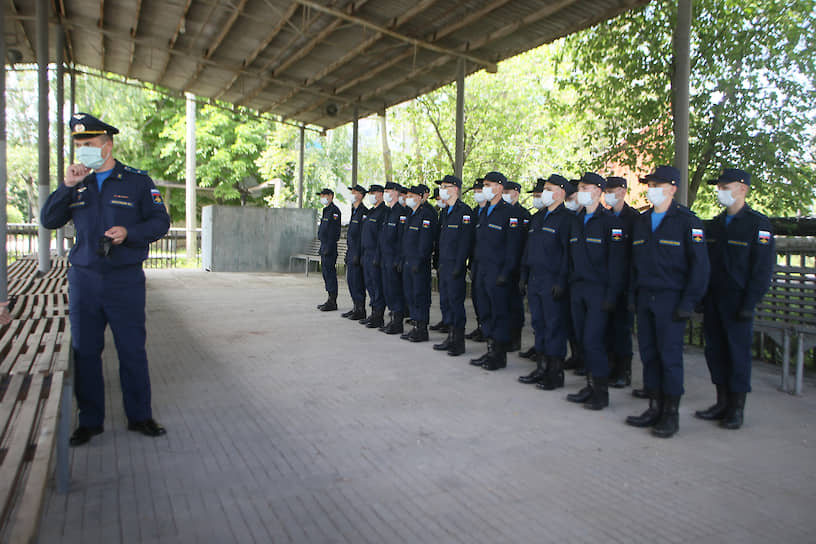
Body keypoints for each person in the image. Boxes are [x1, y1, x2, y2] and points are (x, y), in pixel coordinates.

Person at [40, 112, 170, 446]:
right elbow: (49, 220)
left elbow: (160, 223)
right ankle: (90, 420)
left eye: (88, 144)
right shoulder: (76, 183)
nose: (82, 150)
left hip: (124, 279)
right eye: (78, 145)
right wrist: (66, 186)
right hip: (84, 279)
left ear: (107, 146)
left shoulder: (137, 181)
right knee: (85, 351)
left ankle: (140, 416)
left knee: (131, 350)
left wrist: (129, 232)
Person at [624, 165, 710, 438]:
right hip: (645, 297)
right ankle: (653, 406)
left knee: (669, 357)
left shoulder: (687, 222)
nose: (652, 189)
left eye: (658, 184)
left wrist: (689, 302)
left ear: (673, 188)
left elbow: (700, 267)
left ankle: (670, 413)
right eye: (650, 184)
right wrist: (632, 294)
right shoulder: (642, 220)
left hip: (671, 300)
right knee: (649, 354)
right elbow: (632, 264)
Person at [696, 168, 774, 430]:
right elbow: (706, 265)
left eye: (725, 187)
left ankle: (737, 408)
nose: (720, 192)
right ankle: (721, 402)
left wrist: (750, 303)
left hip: (739, 302)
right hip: (714, 300)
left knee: (737, 355)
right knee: (715, 351)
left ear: (743, 188)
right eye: (719, 187)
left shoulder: (757, 225)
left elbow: (762, 270)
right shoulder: (716, 224)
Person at [565, 172, 626, 410]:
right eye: (580, 187)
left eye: (586, 187)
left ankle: (601, 392)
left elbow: (617, 265)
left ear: (599, 191)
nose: (581, 191)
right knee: (582, 339)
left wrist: (611, 296)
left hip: (599, 292)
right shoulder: (576, 221)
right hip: (578, 289)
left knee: (593, 340)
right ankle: (590, 385)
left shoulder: (611, 223)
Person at [518, 175, 572, 390]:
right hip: (535, 279)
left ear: (561, 192)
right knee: (539, 325)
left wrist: (561, 281)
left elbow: (568, 254)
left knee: (554, 327)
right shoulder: (538, 218)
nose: (545, 193)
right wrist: (523, 276)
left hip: (552, 281)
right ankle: (541, 367)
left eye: (549, 189)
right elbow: (527, 250)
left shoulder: (567, 219)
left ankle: (554, 372)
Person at [469, 171, 524, 371]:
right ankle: (490, 349)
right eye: (484, 185)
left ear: (500, 187)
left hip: (498, 272)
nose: (485, 189)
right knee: (485, 312)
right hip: (481, 269)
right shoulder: (484, 212)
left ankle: (499, 354)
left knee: (499, 313)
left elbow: (513, 247)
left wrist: (506, 272)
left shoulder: (510, 213)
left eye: (489, 185)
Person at [432, 175, 475, 356]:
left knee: (456, 303)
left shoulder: (464, 212)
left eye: (445, 186)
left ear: (455, 189)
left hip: (455, 265)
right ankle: (450, 337)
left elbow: (466, 242)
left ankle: (458, 341)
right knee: (446, 301)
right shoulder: (445, 212)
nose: (442, 189)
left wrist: (460, 265)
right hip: (444, 264)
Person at [603, 176, 640, 388]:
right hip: (606, 282)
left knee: (622, 330)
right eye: (606, 189)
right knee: (607, 329)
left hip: (625, 284)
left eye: (612, 189)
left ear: (623, 191)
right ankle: (610, 367)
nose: (608, 193)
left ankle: (623, 372)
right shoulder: (604, 217)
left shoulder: (634, 219)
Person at [400, 185, 438, 342]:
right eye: (407, 195)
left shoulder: (426, 215)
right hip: (408, 261)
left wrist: (419, 260)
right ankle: (415, 325)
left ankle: (422, 328)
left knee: (420, 295)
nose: (408, 198)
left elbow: (426, 242)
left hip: (419, 263)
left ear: (420, 197)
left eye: (411, 195)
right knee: (410, 294)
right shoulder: (411, 214)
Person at [503, 181, 531, 352]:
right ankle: (505, 336)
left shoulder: (524, 214)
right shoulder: (502, 213)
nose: (505, 193)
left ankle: (516, 338)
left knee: (515, 304)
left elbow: (525, 243)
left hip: (518, 266)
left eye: (508, 191)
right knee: (503, 303)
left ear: (516, 193)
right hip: (504, 265)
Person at [378, 182, 408, 334]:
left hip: (394, 258)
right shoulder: (387, 212)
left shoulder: (401, 213)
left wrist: (399, 259)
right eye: (385, 191)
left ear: (396, 192)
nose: (386, 193)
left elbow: (403, 239)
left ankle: (397, 322)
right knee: (388, 289)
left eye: (388, 190)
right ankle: (392, 319)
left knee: (395, 290)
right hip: (385, 257)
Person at [359, 184, 388, 328]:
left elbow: (381, 237)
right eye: (370, 193)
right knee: (370, 284)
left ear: (381, 194)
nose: (371, 195)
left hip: (376, 254)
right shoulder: (371, 212)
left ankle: (379, 315)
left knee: (377, 285)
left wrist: (378, 255)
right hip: (367, 253)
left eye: (374, 192)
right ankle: (373, 312)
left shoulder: (384, 212)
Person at [466, 178, 488, 343]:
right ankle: (481, 326)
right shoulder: (474, 212)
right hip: (476, 261)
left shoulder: (492, 211)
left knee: (488, 300)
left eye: (480, 191)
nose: (477, 194)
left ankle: (488, 331)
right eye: (475, 192)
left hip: (489, 263)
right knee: (477, 297)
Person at [341, 185, 368, 321]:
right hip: (351, 252)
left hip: (358, 253)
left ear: (361, 195)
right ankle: (355, 307)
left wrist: (358, 253)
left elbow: (362, 236)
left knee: (358, 281)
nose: (351, 194)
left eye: (354, 192)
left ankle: (361, 309)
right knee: (351, 280)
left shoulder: (364, 212)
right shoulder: (354, 211)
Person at [316, 188, 341, 312]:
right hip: (324, 245)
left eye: (324, 195)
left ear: (331, 196)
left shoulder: (334, 211)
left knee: (330, 273)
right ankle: (329, 298)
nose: (322, 198)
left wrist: (329, 246)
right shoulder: (326, 210)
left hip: (329, 247)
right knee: (325, 273)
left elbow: (334, 232)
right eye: (321, 196)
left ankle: (333, 300)